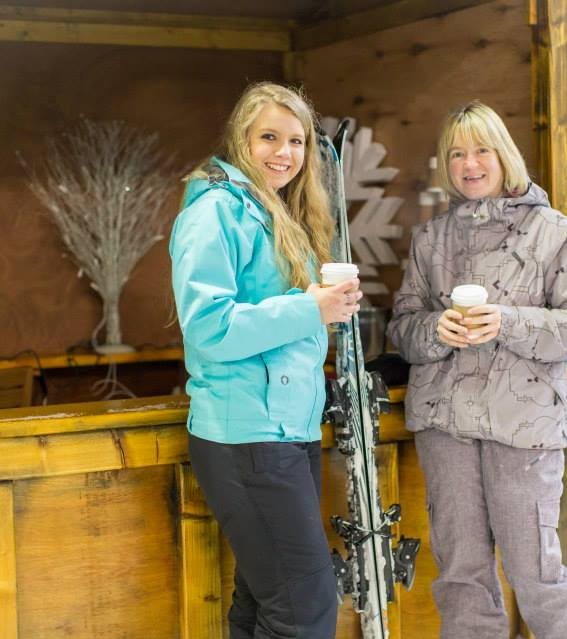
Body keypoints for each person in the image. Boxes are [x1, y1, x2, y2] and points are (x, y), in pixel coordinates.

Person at [387, 101, 567, 639]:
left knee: (537, 576)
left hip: (523, 427)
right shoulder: (430, 238)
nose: (469, 164)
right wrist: (435, 330)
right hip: (445, 426)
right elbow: (403, 326)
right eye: (456, 154)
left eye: (481, 150)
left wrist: (507, 321)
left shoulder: (557, 233)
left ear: (504, 154)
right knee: (461, 577)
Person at [169, 82, 361, 639]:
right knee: (305, 606)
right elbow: (209, 328)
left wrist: (326, 308)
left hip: (286, 429)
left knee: (265, 600)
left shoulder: (274, 212)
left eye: (296, 141)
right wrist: (309, 308)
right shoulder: (214, 213)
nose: (284, 152)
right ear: (241, 140)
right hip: (246, 433)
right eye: (269, 138)